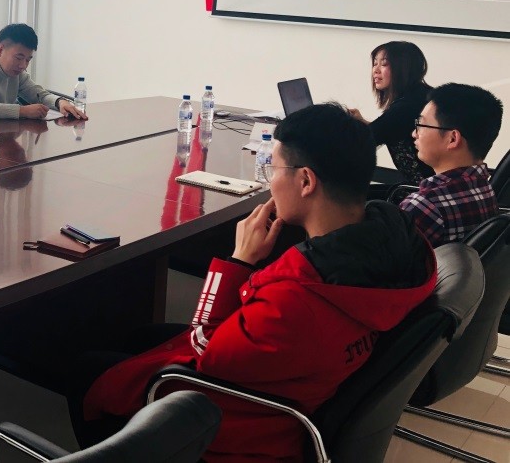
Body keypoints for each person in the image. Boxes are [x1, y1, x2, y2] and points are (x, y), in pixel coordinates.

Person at [68, 103, 435, 462]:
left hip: (249, 426)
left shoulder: (295, 295)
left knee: (89, 371)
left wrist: (238, 262)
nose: (269, 180)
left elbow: (205, 347)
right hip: (301, 384)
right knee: (140, 338)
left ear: (306, 181)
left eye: (273, 167)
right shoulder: (400, 247)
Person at [400, 82, 503, 247]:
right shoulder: (485, 189)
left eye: (420, 125)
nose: (414, 133)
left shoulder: (423, 207)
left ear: (453, 139)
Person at [348, 40, 434, 184]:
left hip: (426, 190)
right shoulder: (422, 93)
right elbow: (389, 129)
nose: (375, 70)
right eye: (375, 63)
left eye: (384, 64)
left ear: (404, 68)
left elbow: (362, 141)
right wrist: (364, 123)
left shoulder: (405, 107)